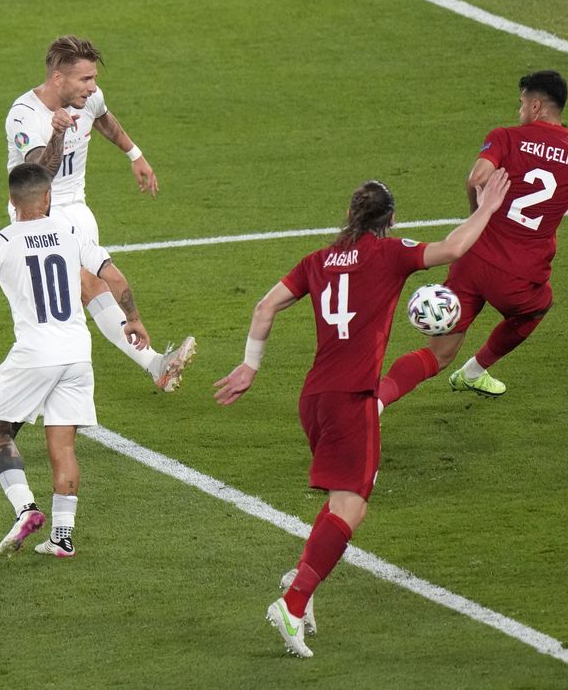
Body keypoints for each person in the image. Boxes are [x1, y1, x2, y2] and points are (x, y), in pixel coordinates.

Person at [214, 169, 510, 657]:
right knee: (352, 506)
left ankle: (301, 580)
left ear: (350, 215)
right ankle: (292, 601)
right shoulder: (388, 254)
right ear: (389, 220)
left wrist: (250, 366)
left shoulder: (317, 260)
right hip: (353, 397)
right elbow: (454, 249)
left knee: (340, 501)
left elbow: (265, 307)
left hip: (314, 398)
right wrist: (486, 209)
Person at [0, 34, 195, 434]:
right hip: (38, 215)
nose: (92, 87)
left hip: (78, 211)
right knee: (68, 309)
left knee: (76, 303)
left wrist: (135, 155)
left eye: (93, 78)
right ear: (57, 79)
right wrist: (57, 133)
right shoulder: (24, 115)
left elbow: (104, 117)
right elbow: (37, 177)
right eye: (84, 79)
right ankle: (153, 363)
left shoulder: (88, 98)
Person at [0, 164, 141, 556]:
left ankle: (25, 509)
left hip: (35, 354)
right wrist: (134, 319)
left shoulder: (1, 241)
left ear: (11, 201)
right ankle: (63, 537)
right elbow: (115, 276)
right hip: (77, 353)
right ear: (48, 197)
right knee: (64, 447)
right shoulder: (71, 233)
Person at [378, 70, 568, 405]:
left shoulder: (505, 136)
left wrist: (477, 218)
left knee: (438, 354)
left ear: (536, 106)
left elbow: (476, 178)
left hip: (472, 259)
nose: (519, 111)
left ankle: (376, 402)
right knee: (537, 309)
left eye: (522, 103)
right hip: (519, 275)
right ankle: (475, 371)